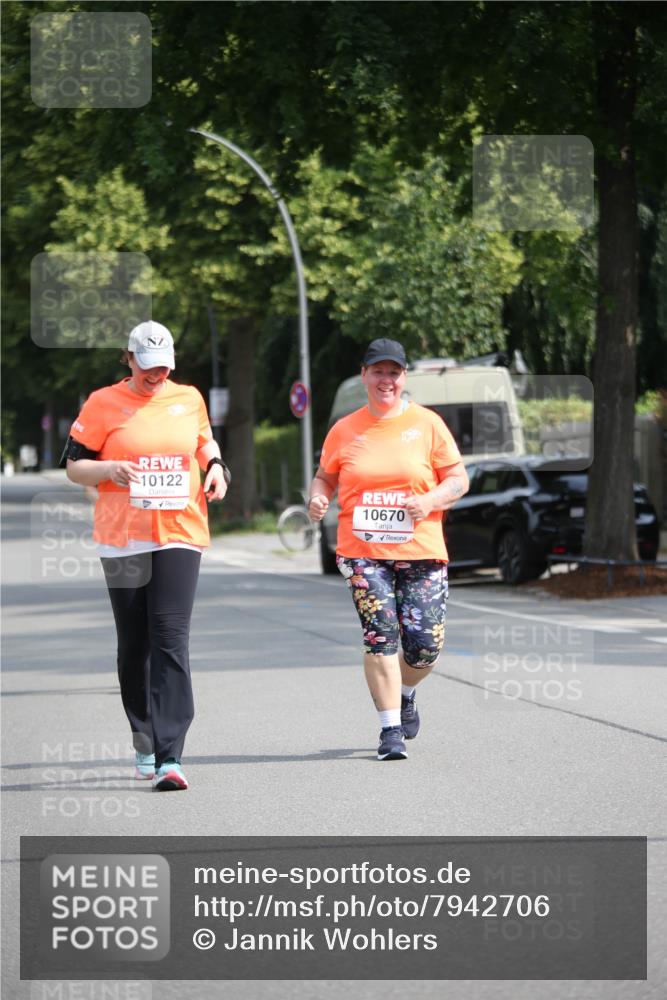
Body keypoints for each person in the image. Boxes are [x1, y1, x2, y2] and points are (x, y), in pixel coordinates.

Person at [63, 321, 229, 791]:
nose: (156, 375)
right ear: (129, 359)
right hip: (123, 538)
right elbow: (75, 465)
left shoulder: (189, 398)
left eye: (164, 367)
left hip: (180, 530)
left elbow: (203, 442)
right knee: (135, 645)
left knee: (171, 637)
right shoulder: (102, 403)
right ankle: (143, 734)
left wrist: (215, 466)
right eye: (148, 367)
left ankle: (170, 755)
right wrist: (111, 469)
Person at [308, 338, 469, 760]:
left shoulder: (428, 424)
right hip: (362, 552)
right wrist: (318, 497)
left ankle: (407, 691)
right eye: (378, 371)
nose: (386, 380)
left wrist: (431, 501)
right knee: (381, 635)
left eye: (393, 372)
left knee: (425, 644)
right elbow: (325, 477)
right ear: (363, 375)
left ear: (404, 377)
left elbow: (458, 480)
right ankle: (389, 730)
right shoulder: (345, 429)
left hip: (422, 550)